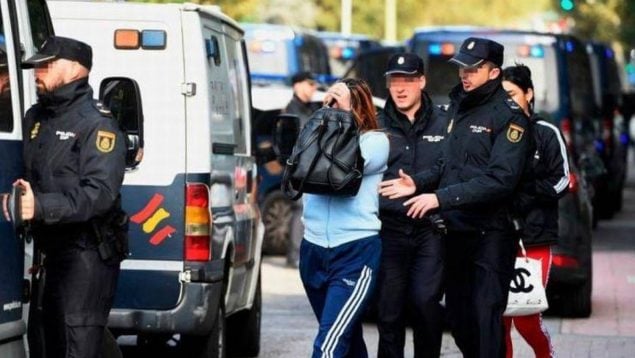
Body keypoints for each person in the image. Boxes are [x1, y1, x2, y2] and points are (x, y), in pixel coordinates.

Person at [379, 37, 531, 358]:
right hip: (456, 233)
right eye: (463, 66)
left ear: (494, 73)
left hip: (491, 234)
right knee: (461, 321)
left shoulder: (510, 116)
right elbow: (446, 164)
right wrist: (416, 184)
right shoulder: (458, 107)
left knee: (485, 318)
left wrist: (439, 199)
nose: (465, 73)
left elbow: (500, 180)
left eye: (474, 68)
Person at [12, 36, 126, 358]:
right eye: (36, 65)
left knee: (77, 348)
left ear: (76, 69)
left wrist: (41, 206)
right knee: (45, 345)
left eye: (47, 65)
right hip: (48, 255)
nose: (38, 71)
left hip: (85, 256)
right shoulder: (37, 117)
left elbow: (100, 193)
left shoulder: (98, 124)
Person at [300, 78, 388, 357]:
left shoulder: (376, 142)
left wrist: (344, 114)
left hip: (354, 251)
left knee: (328, 344)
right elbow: (302, 164)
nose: (332, 107)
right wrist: (322, 116)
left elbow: (342, 166)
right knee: (344, 337)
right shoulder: (315, 133)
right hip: (312, 249)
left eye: (339, 102)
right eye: (330, 102)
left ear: (358, 105)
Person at [376, 53, 447, 358]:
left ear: (422, 81)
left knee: (425, 305)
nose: (400, 88)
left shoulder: (446, 121)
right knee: (389, 313)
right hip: (388, 230)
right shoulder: (375, 126)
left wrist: (421, 184)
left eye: (407, 80)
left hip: (430, 230)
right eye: (394, 81)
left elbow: (453, 168)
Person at [502, 64, 568, 358]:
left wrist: (529, 191)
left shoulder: (546, 132)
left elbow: (563, 179)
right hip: (497, 237)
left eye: (512, 94)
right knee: (498, 320)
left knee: (526, 318)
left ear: (528, 94)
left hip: (535, 238)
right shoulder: (494, 131)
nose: (507, 101)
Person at [284, 71, 321, 268]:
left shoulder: (310, 110)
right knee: (299, 211)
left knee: (307, 211)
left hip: (312, 169)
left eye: (314, 85)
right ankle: (295, 255)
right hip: (300, 170)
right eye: (309, 84)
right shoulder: (291, 111)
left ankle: (302, 254)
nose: (313, 88)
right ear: (297, 85)